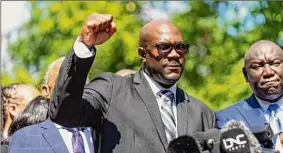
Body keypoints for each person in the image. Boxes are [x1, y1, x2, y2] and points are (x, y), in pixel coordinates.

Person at [49, 12, 216, 153]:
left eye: (180, 47)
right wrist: (84, 46)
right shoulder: (112, 91)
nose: (174, 55)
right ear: (143, 54)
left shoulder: (202, 113)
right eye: (164, 47)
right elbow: (65, 113)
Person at [216, 40, 283, 151]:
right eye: (257, 66)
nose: (268, 72)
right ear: (246, 74)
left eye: (275, 63)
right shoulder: (228, 118)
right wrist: (279, 143)